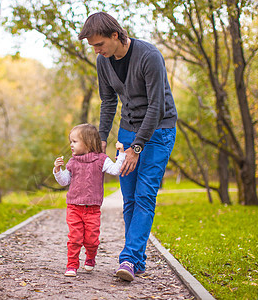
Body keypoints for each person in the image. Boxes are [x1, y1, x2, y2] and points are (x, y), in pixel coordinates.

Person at [78, 12, 177, 282]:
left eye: (99, 44)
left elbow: (157, 107)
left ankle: (129, 258)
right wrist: (100, 138)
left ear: (115, 35)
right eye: (93, 47)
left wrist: (136, 148)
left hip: (158, 132)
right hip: (128, 130)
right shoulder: (103, 61)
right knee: (130, 198)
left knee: (145, 196)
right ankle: (138, 260)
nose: (97, 51)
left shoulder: (149, 56)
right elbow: (108, 101)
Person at [53, 123, 126, 277]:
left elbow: (115, 170)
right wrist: (58, 170)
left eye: (74, 141)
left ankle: (90, 258)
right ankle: (71, 265)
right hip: (74, 207)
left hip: (92, 209)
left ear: (88, 142)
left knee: (92, 240)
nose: (71, 145)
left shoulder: (101, 160)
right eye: (70, 142)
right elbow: (64, 181)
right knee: (75, 238)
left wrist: (121, 154)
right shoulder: (72, 162)